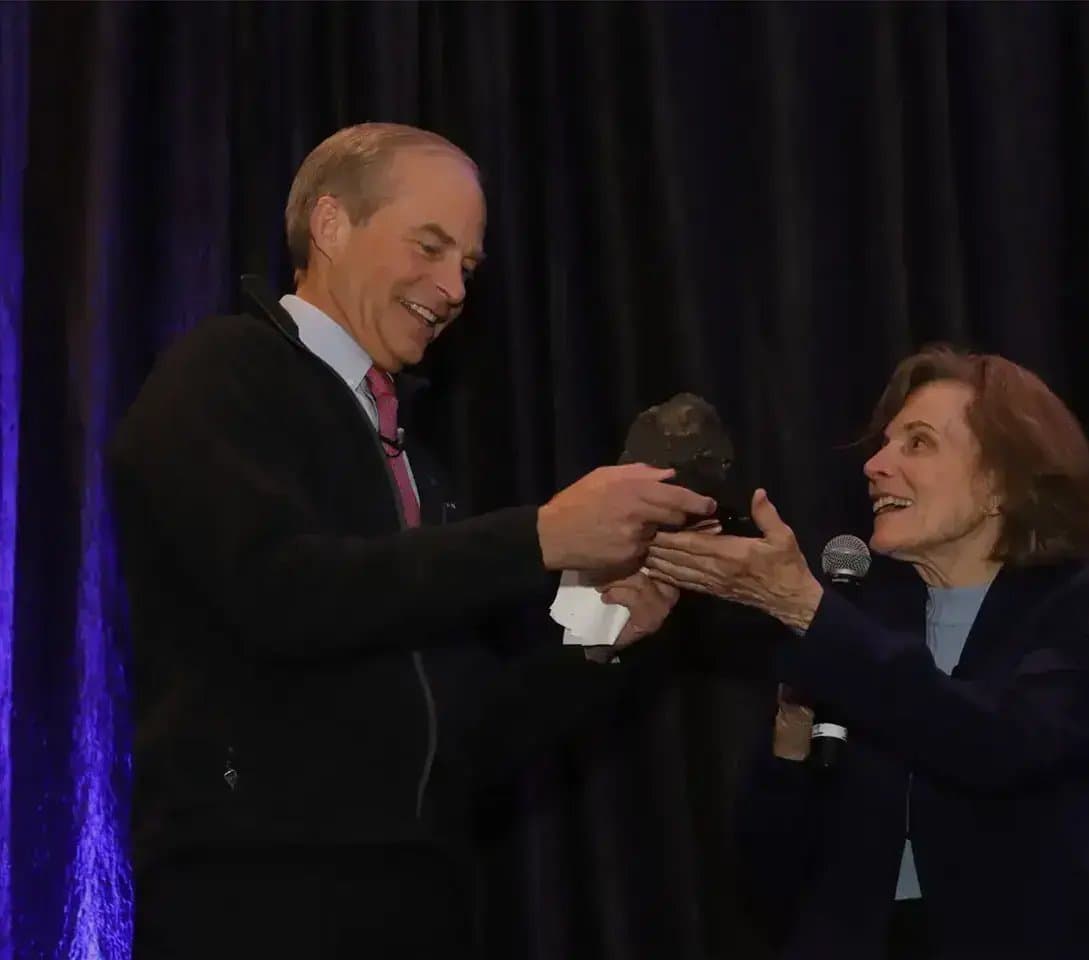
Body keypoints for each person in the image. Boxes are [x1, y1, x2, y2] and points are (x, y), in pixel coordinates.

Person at [109, 123, 717, 959]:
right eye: (429, 247)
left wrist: (604, 626)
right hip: (258, 898)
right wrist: (539, 536)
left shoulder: (416, 465)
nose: (453, 287)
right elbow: (283, 595)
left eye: (466, 266)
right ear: (330, 225)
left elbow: (468, 736)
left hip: (417, 900)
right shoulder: (221, 375)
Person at [645, 345, 1089, 959]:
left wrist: (811, 613)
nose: (876, 465)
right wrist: (791, 732)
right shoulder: (861, 625)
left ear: (1003, 482)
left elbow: (1003, 744)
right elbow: (769, 877)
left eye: (917, 443)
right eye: (884, 445)